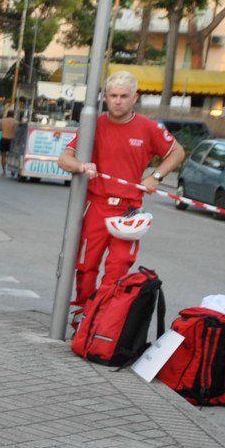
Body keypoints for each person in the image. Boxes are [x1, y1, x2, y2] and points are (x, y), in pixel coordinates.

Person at [56, 71, 184, 311]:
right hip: (96, 205)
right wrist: (82, 166)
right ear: (105, 97)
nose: (117, 101)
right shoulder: (93, 125)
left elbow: (177, 152)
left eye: (124, 96)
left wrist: (156, 176)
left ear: (134, 97)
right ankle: (83, 312)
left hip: (129, 210)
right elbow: (64, 159)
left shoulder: (149, 128)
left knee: (118, 266)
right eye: (113, 95)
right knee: (85, 266)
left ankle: (99, 317)